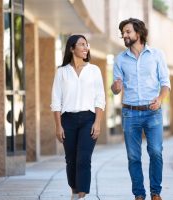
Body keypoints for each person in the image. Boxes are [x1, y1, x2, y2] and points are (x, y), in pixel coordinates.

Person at [111, 18, 170, 200]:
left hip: (153, 112)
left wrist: (160, 99)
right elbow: (114, 89)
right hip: (130, 113)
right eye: (123, 33)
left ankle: (155, 192)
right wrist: (116, 86)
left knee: (155, 152)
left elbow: (165, 84)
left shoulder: (157, 55)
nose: (124, 35)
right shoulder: (120, 59)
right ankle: (139, 194)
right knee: (133, 156)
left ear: (138, 33)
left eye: (128, 31)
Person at [51, 34, 105, 200]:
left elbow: (100, 99)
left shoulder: (94, 70)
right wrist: (58, 125)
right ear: (72, 48)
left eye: (86, 45)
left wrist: (97, 122)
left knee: (83, 158)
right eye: (81, 44)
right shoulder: (62, 72)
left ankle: (81, 196)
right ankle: (74, 192)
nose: (85, 47)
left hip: (88, 119)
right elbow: (55, 100)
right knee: (71, 160)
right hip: (68, 120)